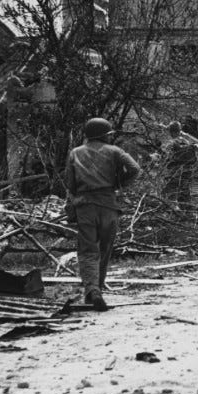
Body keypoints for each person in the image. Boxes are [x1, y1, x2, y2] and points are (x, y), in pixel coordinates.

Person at [64, 117, 141, 310]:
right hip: (108, 204)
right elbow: (135, 168)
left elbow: (69, 184)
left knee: (88, 250)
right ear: (104, 135)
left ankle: (92, 291)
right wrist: (118, 183)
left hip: (85, 206)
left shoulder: (75, 153)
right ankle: (97, 289)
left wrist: (73, 203)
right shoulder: (114, 151)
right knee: (105, 250)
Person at [161, 121, 198, 207]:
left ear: (171, 131)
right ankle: (187, 210)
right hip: (188, 169)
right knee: (184, 190)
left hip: (176, 171)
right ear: (179, 130)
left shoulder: (171, 143)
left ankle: (171, 209)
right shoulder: (186, 141)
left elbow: (165, 156)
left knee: (170, 190)